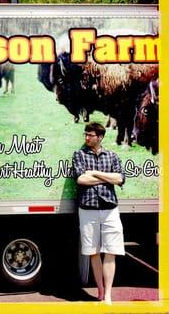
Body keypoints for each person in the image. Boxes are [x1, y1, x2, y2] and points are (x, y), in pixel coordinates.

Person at [72, 122, 125, 304]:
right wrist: (106, 178)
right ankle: (100, 291)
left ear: (100, 137)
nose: (87, 138)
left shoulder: (111, 156)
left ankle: (108, 294)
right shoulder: (79, 155)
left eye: (90, 135)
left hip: (110, 209)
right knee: (93, 252)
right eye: (85, 134)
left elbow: (119, 178)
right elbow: (81, 179)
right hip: (88, 208)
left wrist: (94, 172)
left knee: (111, 251)